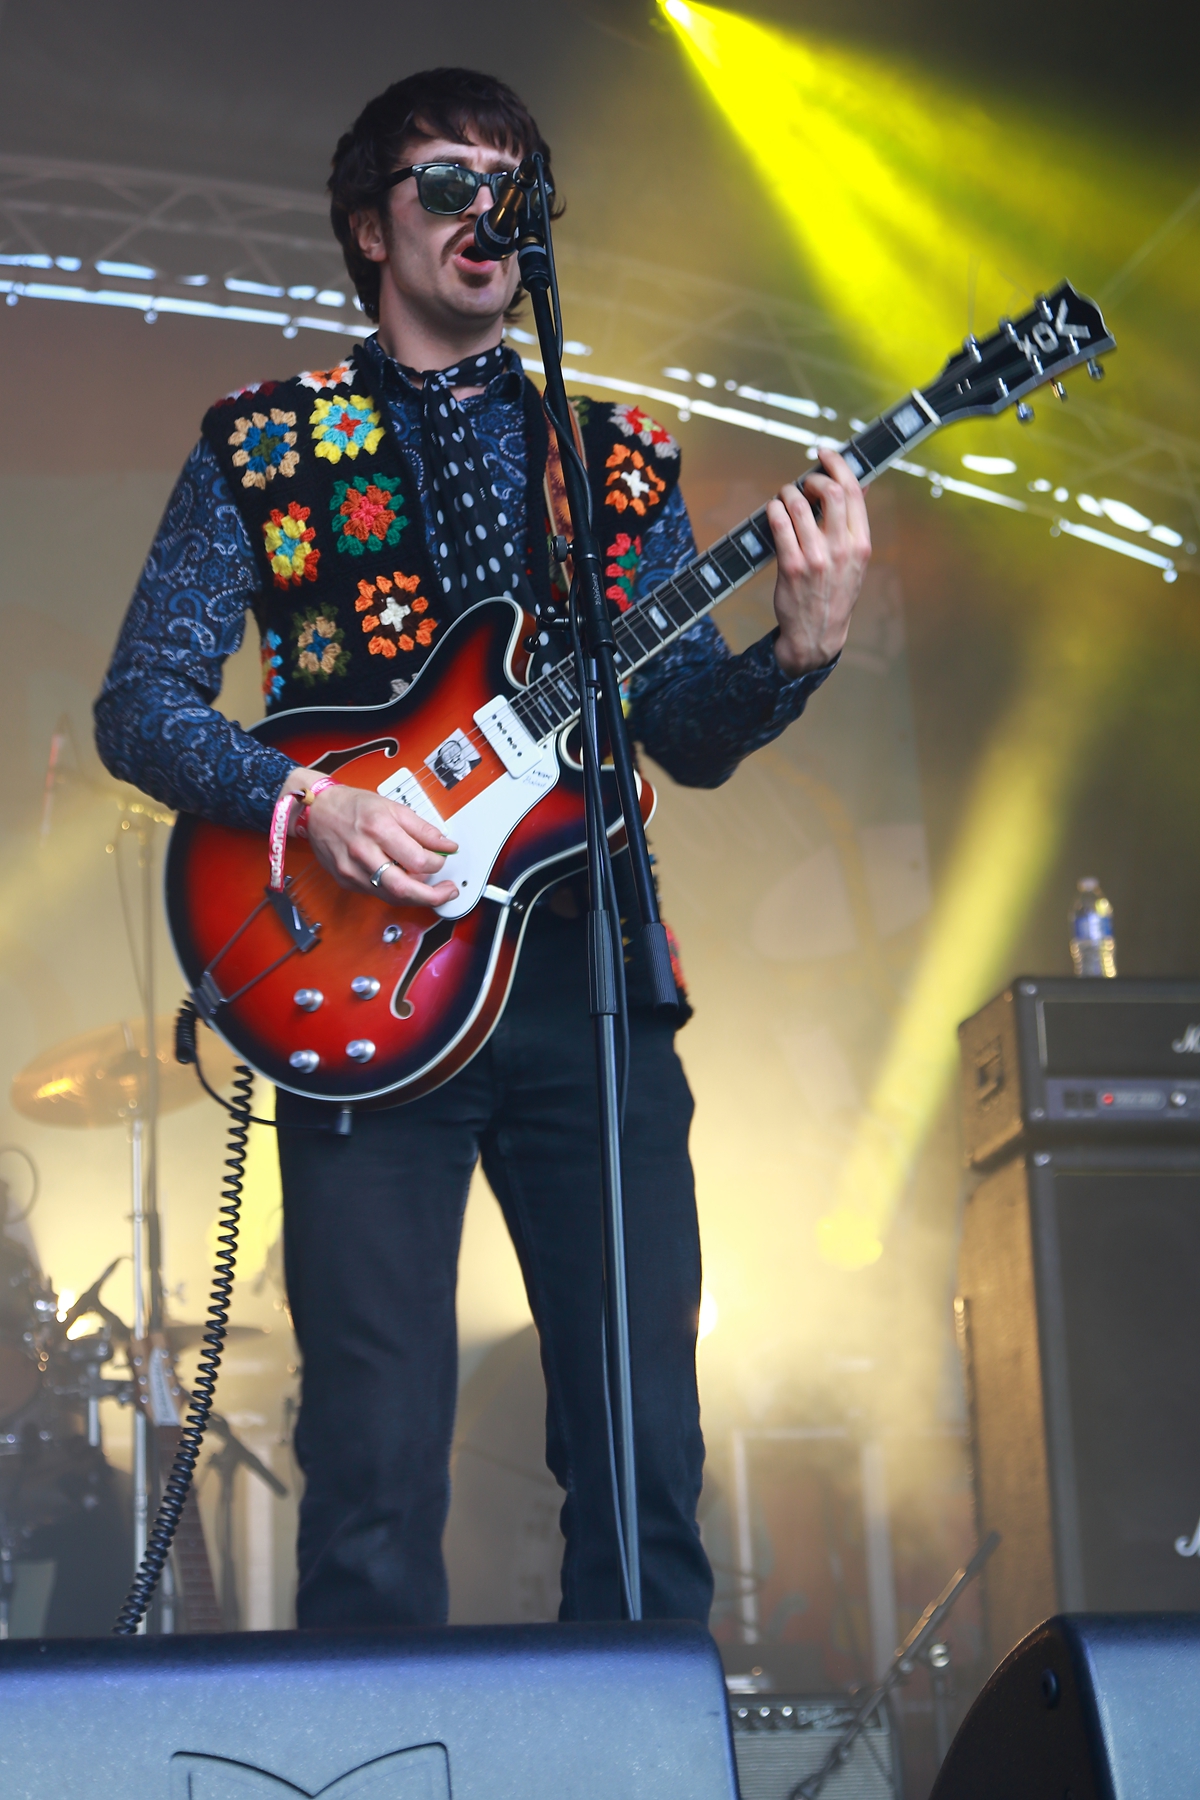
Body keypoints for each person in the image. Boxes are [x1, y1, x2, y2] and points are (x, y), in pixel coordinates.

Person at [95, 66, 871, 1630]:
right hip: (362, 982)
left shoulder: (616, 458)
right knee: (374, 1468)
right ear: (369, 226)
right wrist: (313, 804)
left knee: (645, 1457)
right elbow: (140, 706)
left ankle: (633, 1741)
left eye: (511, 190)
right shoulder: (267, 444)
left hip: (589, 980)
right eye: (447, 183)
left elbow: (685, 734)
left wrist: (798, 654)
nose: (484, 215)